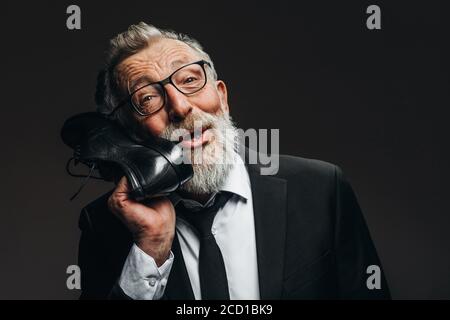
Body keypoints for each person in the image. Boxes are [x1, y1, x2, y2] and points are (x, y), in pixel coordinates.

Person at [78, 22, 390, 300]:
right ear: (128, 135)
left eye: (189, 80)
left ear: (222, 97)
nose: (181, 106)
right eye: (148, 98)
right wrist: (150, 250)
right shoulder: (104, 226)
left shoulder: (321, 189)